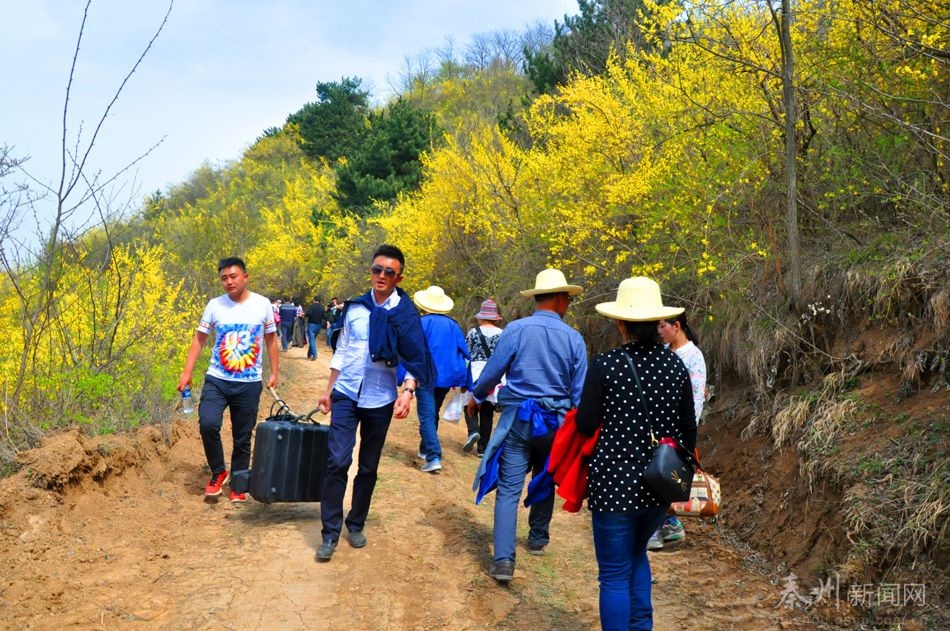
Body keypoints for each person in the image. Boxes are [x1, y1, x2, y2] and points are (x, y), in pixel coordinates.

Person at [575, 277, 696, 631]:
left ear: (620, 322)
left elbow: (585, 424)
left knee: (613, 575)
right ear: (658, 322)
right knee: (637, 554)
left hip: (613, 483)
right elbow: (688, 428)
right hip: (657, 484)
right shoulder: (676, 366)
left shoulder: (605, 365)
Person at [315, 245, 434, 562]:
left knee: (367, 466)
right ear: (371, 271)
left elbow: (414, 356)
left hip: (381, 397)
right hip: (346, 392)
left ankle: (355, 523)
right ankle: (329, 532)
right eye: (377, 269)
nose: (381, 276)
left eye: (389, 272)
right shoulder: (354, 308)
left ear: (399, 277)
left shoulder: (405, 315)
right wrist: (329, 389)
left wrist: (408, 391)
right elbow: (342, 351)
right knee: (337, 461)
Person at [471, 268, 587, 583]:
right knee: (545, 476)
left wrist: (477, 395)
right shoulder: (574, 338)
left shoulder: (516, 330)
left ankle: (504, 560)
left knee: (509, 489)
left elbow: (493, 372)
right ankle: (537, 537)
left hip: (519, 419)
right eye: (568, 299)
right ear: (561, 299)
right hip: (556, 423)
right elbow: (579, 393)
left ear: (537, 298)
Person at [177, 257, 279, 503]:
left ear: (245, 277)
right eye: (224, 278)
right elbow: (199, 338)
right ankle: (218, 471)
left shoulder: (262, 304)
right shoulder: (215, 305)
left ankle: (238, 483)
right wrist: (187, 371)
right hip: (218, 378)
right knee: (208, 423)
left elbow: (271, 339)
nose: (229, 282)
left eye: (233, 276)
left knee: (243, 435)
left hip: (249, 381)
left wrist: (275, 372)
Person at [648, 312, 707, 550]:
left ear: (677, 326)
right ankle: (662, 525)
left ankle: (667, 525)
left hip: (677, 430)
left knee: (665, 476)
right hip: (657, 426)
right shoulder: (664, 352)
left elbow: (696, 396)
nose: (660, 331)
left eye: (663, 326)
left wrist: (685, 431)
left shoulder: (693, 356)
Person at [412, 286, 471, 474]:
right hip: (445, 377)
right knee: (432, 411)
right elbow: (463, 351)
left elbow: (411, 349)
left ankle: (433, 455)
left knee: (427, 415)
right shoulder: (453, 325)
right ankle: (424, 449)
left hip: (424, 376)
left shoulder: (420, 323)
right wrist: (462, 378)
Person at [463, 299, 504, 456]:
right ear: (495, 317)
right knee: (487, 409)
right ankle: (483, 448)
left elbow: (467, 354)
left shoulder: (473, 332)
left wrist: (462, 377)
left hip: (475, 371)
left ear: (481, 316)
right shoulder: (502, 334)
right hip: (493, 373)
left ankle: (473, 430)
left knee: (469, 404)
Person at [306, 296, 326, 361]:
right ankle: (309, 354)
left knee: (311, 340)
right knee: (313, 340)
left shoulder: (311, 306)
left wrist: (305, 314)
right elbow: (324, 316)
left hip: (311, 324)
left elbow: (308, 314)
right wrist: (328, 322)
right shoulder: (322, 307)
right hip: (318, 326)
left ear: (314, 300)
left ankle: (314, 355)